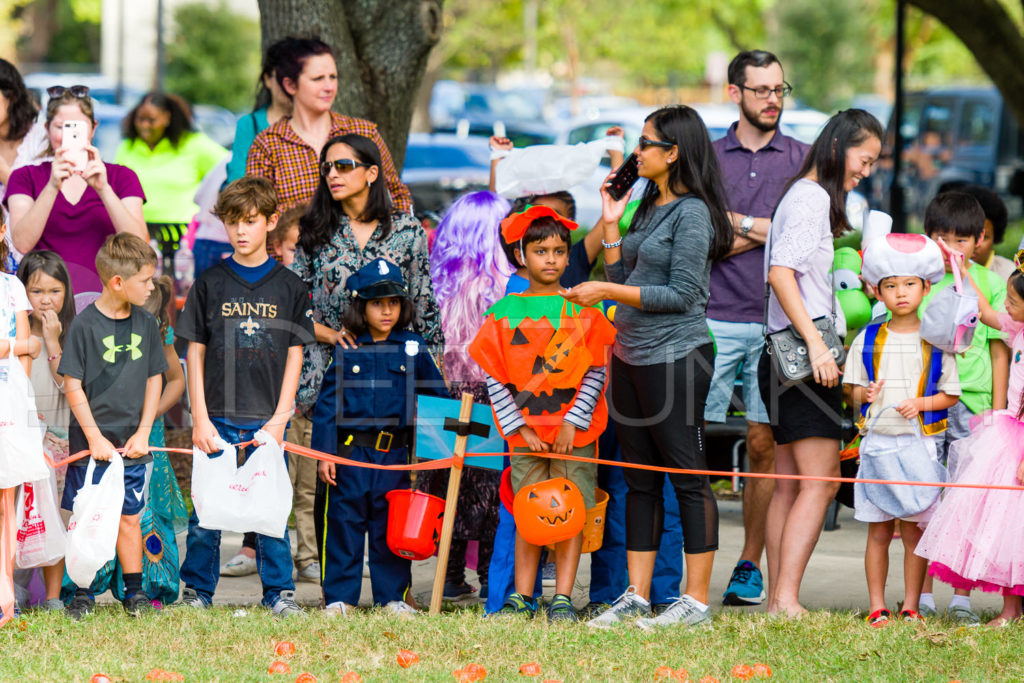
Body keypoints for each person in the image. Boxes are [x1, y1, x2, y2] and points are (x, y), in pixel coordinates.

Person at [562, 105, 734, 629]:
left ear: (673, 151)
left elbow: (682, 294)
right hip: (631, 354)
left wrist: (609, 290)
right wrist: (612, 225)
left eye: (646, 143)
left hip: (677, 356)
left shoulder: (694, 212)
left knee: (686, 474)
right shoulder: (648, 203)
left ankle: (696, 602)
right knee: (639, 478)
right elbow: (622, 271)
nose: (637, 153)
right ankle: (635, 595)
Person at [758, 109, 882, 617]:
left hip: (780, 355)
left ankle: (777, 599)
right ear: (837, 148)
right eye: (864, 159)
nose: (866, 172)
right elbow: (780, 273)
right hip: (807, 356)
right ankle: (786, 598)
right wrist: (815, 343)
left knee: (790, 482)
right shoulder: (811, 199)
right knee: (822, 480)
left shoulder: (799, 194)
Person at [175, 176, 314, 617]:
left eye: (251, 221)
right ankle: (197, 591)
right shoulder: (209, 283)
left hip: (268, 418)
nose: (240, 231)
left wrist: (280, 416)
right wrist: (199, 417)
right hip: (215, 414)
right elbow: (193, 353)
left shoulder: (289, 286)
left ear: (271, 222)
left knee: (270, 507)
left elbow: (296, 356)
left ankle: (279, 594)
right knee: (205, 512)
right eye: (233, 221)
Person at [469, 206, 615, 621]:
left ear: (569, 257)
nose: (550, 259)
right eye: (540, 251)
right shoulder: (503, 314)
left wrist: (573, 421)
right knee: (529, 515)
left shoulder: (583, 311)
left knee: (570, 515)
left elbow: (595, 370)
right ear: (522, 256)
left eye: (558, 251)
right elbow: (495, 376)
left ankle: (564, 598)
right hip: (526, 437)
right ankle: (522, 595)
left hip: (576, 437)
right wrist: (519, 428)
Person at [708, 50, 809, 607]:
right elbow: (701, 235)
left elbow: (813, 238)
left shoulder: (802, 158)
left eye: (779, 88)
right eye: (761, 89)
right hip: (712, 316)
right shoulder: (706, 157)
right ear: (735, 93)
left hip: (776, 323)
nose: (773, 98)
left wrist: (737, 226)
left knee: (764, 443)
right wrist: (769, 231)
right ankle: (686, 562)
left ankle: (749, 565)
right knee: (690, 441)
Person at [312, 258, 445, 615]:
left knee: (391, 526)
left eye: (393, 303)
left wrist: (441, 450)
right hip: (350, 456)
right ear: (361, 306)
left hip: (394, 456)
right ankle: (340, 598)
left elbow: (437, 398)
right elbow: (327, 406)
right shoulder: (347, 347)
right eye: (377, 303)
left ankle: (393, 597)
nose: (386, 311)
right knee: (344, 523)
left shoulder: (413, 347)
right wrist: (326, 455)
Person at [845, 233, 959, 626]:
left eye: (910, 284)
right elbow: (850, 391)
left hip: (920, 448)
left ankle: (912, 605)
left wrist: (921, 404)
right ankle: (877, 605)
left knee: (914, 532)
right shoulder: (867, 338)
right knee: (878, 532)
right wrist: (864, 391)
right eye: (890, 286)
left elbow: (950, 395)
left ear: (926, 287)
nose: (901, 293)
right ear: (877, 290)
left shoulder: (936, 341)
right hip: (877, 447)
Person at [57, 233, 167, 620]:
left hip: (132, 444)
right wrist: (94, 438)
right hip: (91, 446)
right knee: (87, 516)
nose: (152, 286)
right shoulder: (84, 326)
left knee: (130, 517)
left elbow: (156, 377)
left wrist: (143, 431)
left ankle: (134, 593)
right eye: (146, 280)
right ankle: (81, 592)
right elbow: (72, 383)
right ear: (118, 282)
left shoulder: (147, 323)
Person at [915, 248, 1024, 627]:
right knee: (1005, 526)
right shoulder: (1018, 327)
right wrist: (963, 273)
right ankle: (1011, 610)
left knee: (1016, 526)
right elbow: (989, 312)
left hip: (1020, 442)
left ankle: (1013, 611)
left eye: (1013, 301)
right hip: (1007, 431)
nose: (1005, 307)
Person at [423, 190, 512, 602]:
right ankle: (495, 578)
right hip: (493, 396)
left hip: (444, 393)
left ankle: (451, 574)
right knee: (492, 489)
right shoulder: (507, 286)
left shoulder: (436, 283)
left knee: (448, 483)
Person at [246, 38, 411, 229]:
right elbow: (255, 217)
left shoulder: (363, 132)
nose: (329, 87)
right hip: (295, 256)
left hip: (365, 255)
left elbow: (397, 195)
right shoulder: (268, 144)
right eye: (318, 79)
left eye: (333, 77)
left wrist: (397, 245)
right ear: (291, 85)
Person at [4, 87, 147, 294]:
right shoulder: (25, 177)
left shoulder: (122, 177)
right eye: (60, 127)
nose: (67, 136)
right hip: (44, 302)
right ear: (46, 128)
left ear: (93, 128)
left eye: (77, 128)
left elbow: (139, 244)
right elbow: (22, 243)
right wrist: (52, 186)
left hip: (107, 301)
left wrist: (104, 189)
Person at [17, 250, 75, 610]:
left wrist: (53, 341)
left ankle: (53, 597)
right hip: (24, 441)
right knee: (22, 517)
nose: (46, 299)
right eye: (36, 291)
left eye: (54, 290)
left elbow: (68, 385)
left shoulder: (73, 334)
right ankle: (15, 590)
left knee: (57, 517)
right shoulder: (15, 336)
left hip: (62, 443)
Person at [115, 92, 228, 273]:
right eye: (140, 119)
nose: (145, 126)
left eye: (151, 120)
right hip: (138, 235)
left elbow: (227, 167)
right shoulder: (127, 147)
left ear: (167, 118)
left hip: (181, 237)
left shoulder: (194, 145)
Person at [225, 39, 294, 185]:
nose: (289, 86)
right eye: (283, 79)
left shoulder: (318, 122)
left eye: (295, 78)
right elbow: (237, 181)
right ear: (267, 79)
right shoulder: (250, 125)